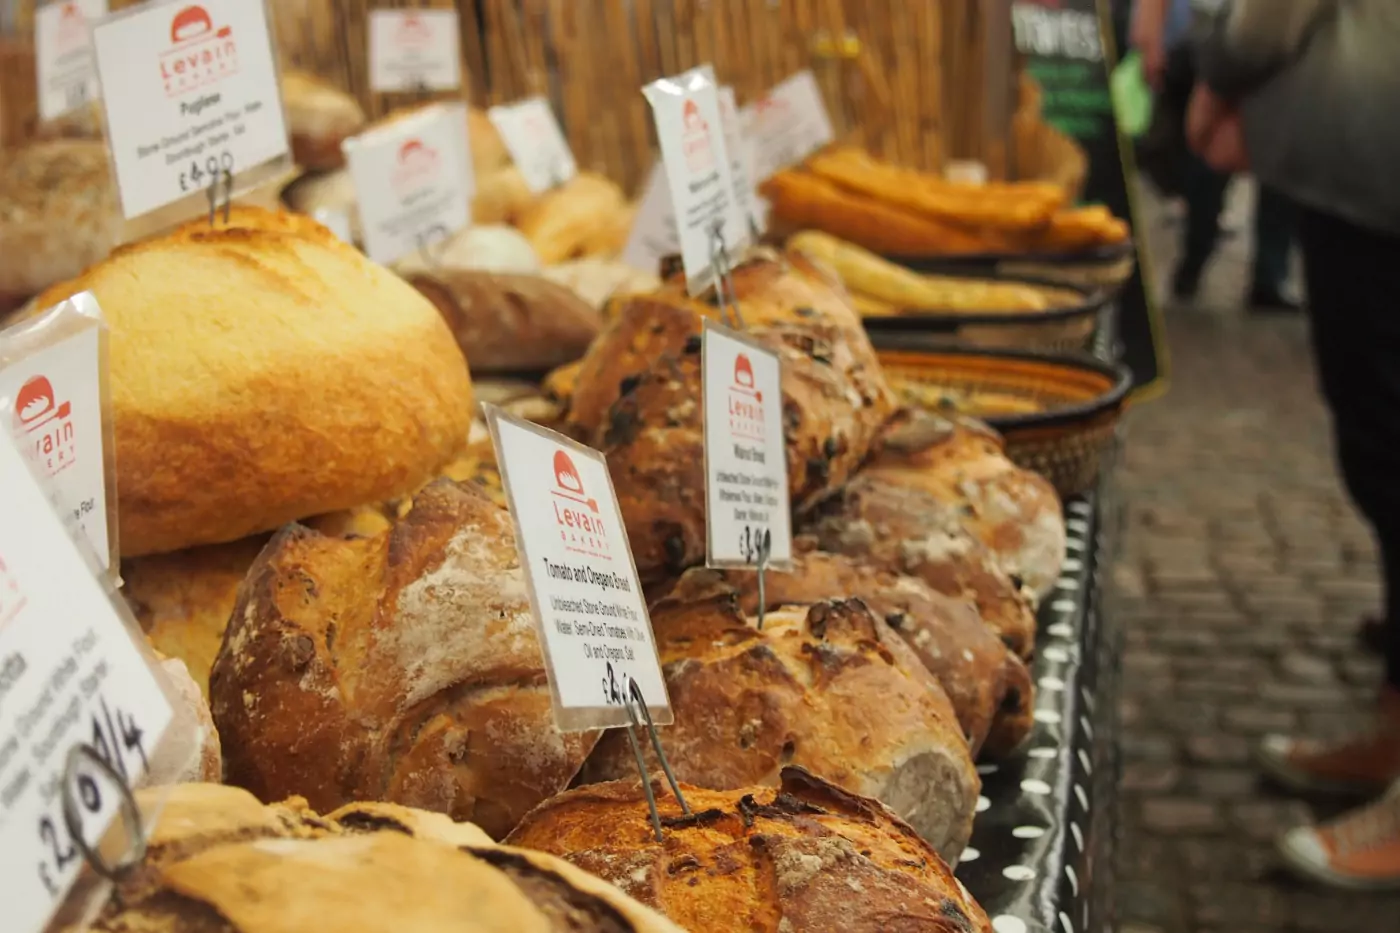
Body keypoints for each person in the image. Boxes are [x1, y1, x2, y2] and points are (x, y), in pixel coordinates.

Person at [1191, 0, 1400, 889]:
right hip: (1368, 148)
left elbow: (1267, 15)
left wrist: (1221, 68)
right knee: (1382, 444)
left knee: (1386, 442)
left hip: (1373, 148)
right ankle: (1397, 722)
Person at [1130, 0, 1299, 311]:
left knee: (1279, 166)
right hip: (1217, 36)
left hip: (1282, 47)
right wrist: (1149, 38)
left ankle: (1268, 278)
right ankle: (1194, 261)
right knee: (1210, 159)